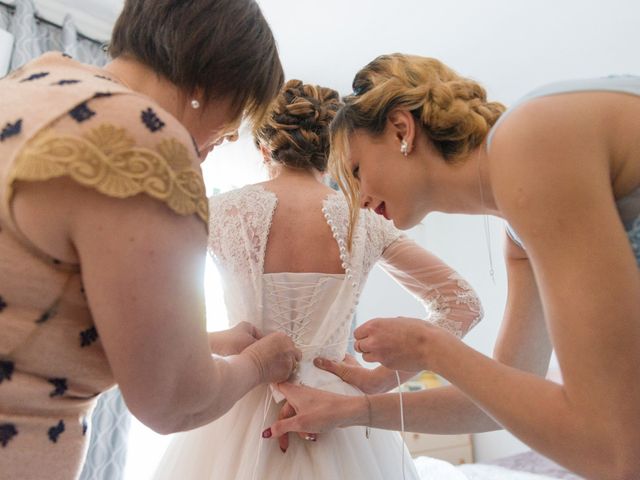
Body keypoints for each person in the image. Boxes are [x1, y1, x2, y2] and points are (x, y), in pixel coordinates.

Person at [265, 53, 640, 480]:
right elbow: (499, 404)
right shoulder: (518, 236)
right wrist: (355, 408)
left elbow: (612, 449)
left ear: (401, 130)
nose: (359, 200)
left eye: (356, 171)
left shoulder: (530, 140)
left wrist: (430, 345)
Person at [0, 1, 302, 478]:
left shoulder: (29, 88)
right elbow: (174, 401)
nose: (208, 151)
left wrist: (211, 343)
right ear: (210, 87)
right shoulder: (145, 140)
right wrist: (262, 363)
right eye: (225, 132)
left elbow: (35, 311)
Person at [151, 79, 483, 480]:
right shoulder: (366, 220)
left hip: (235, 403)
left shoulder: (215, 212)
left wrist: (224, 342)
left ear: (262, 147)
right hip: (335, 406)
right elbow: (462, 303)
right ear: (335, 150)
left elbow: (149, 327)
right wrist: (381, 380)